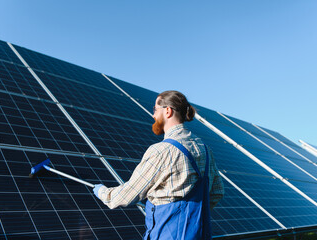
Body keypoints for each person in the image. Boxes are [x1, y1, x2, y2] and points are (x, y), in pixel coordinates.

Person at [93, 90, 224, 240]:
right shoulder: (205, 149)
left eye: (155, 109)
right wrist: (193, 215)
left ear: (167, 111)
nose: (153, 115)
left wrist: (102, 191)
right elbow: (217, 192)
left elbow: (126, 196)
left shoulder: (162, 150)